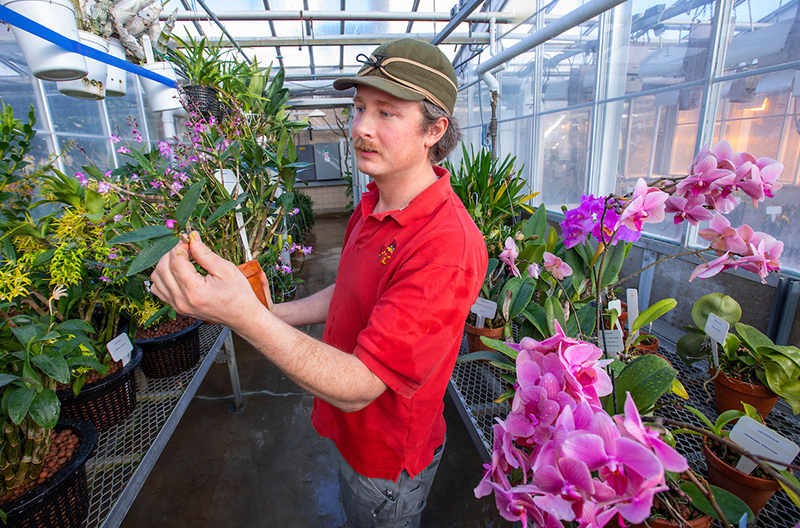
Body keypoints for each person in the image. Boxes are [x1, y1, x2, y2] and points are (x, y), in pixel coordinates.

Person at [150, 38, 487, 528]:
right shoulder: (374, 202)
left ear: (434, 130)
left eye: (387, 113)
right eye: (359, 108)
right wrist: (263, 309)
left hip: (384, 459)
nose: (361, 128)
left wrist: (242, 317)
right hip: (350, 434)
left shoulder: (445, 246)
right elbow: (349, 293)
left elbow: (358, 386)